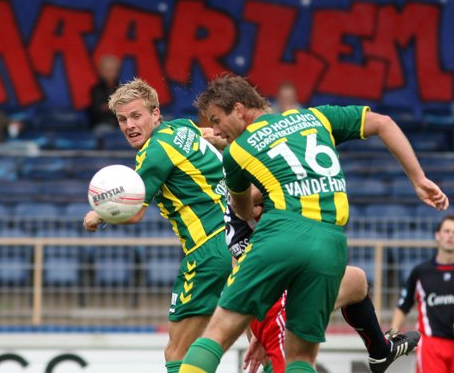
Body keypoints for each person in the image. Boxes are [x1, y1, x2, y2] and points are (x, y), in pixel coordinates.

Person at [179, 73, 449, 373]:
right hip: (329, 242)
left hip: (280, 235)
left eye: (216, 120)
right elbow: (383, 122)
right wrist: (418, 178)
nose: (215, 130)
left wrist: (246, 198)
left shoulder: (237, 154)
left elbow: (241, 210)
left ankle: (381, 350)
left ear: (240, 109)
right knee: (303, 357)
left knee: (216, 334)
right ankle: (381, 350)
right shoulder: (315, 117)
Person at [202, 129, 422, 373]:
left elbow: (238, 276)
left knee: (356, 281)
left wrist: (255, 329)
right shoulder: (256, 190)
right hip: (273, 298)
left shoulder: (243, 187)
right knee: (294, 362)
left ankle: (380, 351)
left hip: (276, 293)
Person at [82, 78, 232, 373]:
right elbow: (210, 134)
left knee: (177, 350)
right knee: (261, 337)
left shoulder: (153, 154)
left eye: (136, 116)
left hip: (209, 251)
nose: (129, 125)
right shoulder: (182, 127)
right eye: (122, 119)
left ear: (155, 114)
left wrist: (98, 214)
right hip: (242, 241)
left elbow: (135, 212)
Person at [390, 214, 454, 373]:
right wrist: (391, 338)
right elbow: (403, 307)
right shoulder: (421, 272)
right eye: (447, 231)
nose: (451, 235)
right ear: (437, 236)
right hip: (431, 345)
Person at [88, 55, 121, 138]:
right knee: (101, 131)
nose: (109, 73)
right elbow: (96, 111)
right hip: (103, 125)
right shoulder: (96, 90)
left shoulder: (123, 89)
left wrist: (108, 107)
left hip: (121, 125)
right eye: (107, 70)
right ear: (101, 72)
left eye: (112, 70)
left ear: (117, 71)